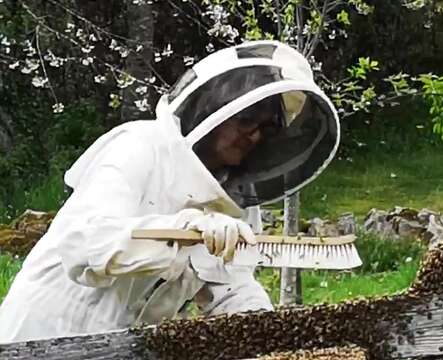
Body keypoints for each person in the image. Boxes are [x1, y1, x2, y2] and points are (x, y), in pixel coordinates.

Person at [0, 40, 340, 343]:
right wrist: (185, 229)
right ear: (217, 106)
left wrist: (270, 335)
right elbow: (86, 245)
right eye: (248, 118)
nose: (254, 136)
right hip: (40, 333)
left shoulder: (237, 207)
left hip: (118, 348)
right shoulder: (141, 147)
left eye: (267, 129)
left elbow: (228, 289)